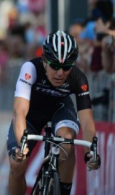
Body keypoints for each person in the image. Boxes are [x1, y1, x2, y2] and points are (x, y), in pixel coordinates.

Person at [6, 30, 101, 195]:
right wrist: (22, 146)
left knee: (67, 140)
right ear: (44, 61)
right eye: (55, 66)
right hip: (31, 115)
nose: (60, 73)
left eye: (66, 67)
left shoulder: (78, 78)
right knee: (17, 165)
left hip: (60, 109)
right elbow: (19, 111)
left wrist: (89, 154)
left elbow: (86, 121)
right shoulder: (30, 68)